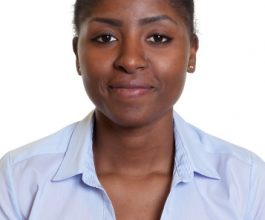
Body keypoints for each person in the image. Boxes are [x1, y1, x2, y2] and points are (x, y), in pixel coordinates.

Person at [0, 0, 265, 219]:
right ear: (77, 55)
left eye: (158, 37)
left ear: (191, 53)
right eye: (106, 38)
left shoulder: (246, 180)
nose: (130, 60)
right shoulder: (19, 179)